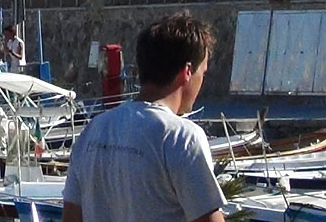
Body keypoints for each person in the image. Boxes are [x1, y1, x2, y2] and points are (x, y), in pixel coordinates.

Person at [62, 14, 224, 222]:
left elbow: (72, 216)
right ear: (187, 72)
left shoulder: (94, 130)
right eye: (203, 73)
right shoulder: (181, 136)